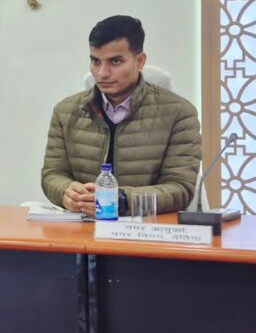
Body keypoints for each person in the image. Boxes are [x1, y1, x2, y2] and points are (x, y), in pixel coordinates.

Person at [41, 15, 201, 216]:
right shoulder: (65, 112)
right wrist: (66, 191)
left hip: (146, 228)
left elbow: (180, 188)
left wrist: (123, 200)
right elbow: (53, 174)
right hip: (84, 226)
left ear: (140, 61)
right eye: (95, 61)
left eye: (115, 61)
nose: (102, 73)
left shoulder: (179, 113)